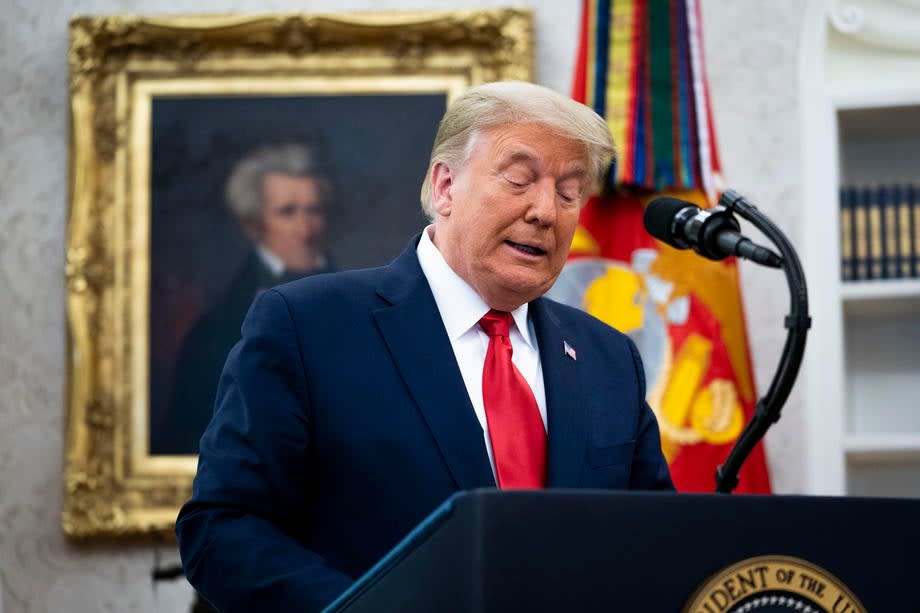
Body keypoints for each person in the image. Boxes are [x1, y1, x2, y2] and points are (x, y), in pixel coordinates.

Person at [176, 81, 674, 612]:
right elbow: (223, 530)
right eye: (519, 180)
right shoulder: (307, 326)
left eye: (570, 191)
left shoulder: (608, 359)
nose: (546, 211)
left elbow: (657, 543)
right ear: (445, 186)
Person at [163, 143, 335, 455]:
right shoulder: (212, 333)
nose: (305, 229)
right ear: (252, 225)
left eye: (314, 210)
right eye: (288, 212)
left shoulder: (365, 308)